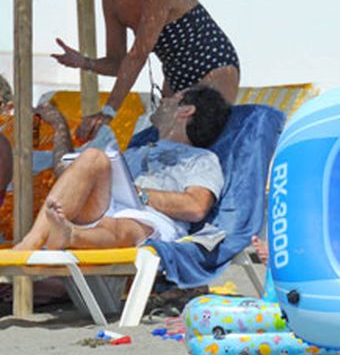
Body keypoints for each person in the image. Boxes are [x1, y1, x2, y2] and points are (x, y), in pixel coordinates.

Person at [51, 0, 240, 144]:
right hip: (175, 73)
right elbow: (116, 63)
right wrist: (84, 62)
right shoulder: (110, 0)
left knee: (204, 140)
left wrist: (110, 111)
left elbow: (137, 55)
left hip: (214, 65)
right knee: (165, 144)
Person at [12, 85, 231, 251]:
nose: (162, 100)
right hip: (103, 206)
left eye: (171, 97)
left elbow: (196, 206)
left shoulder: (201, 158)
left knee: (127, 226)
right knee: (93, 157)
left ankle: (70, 236)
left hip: (150, 219)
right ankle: (31, 242)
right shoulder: (136, 150)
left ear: (186, 110)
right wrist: (59, 125)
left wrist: (139, 195)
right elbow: (65, 172)